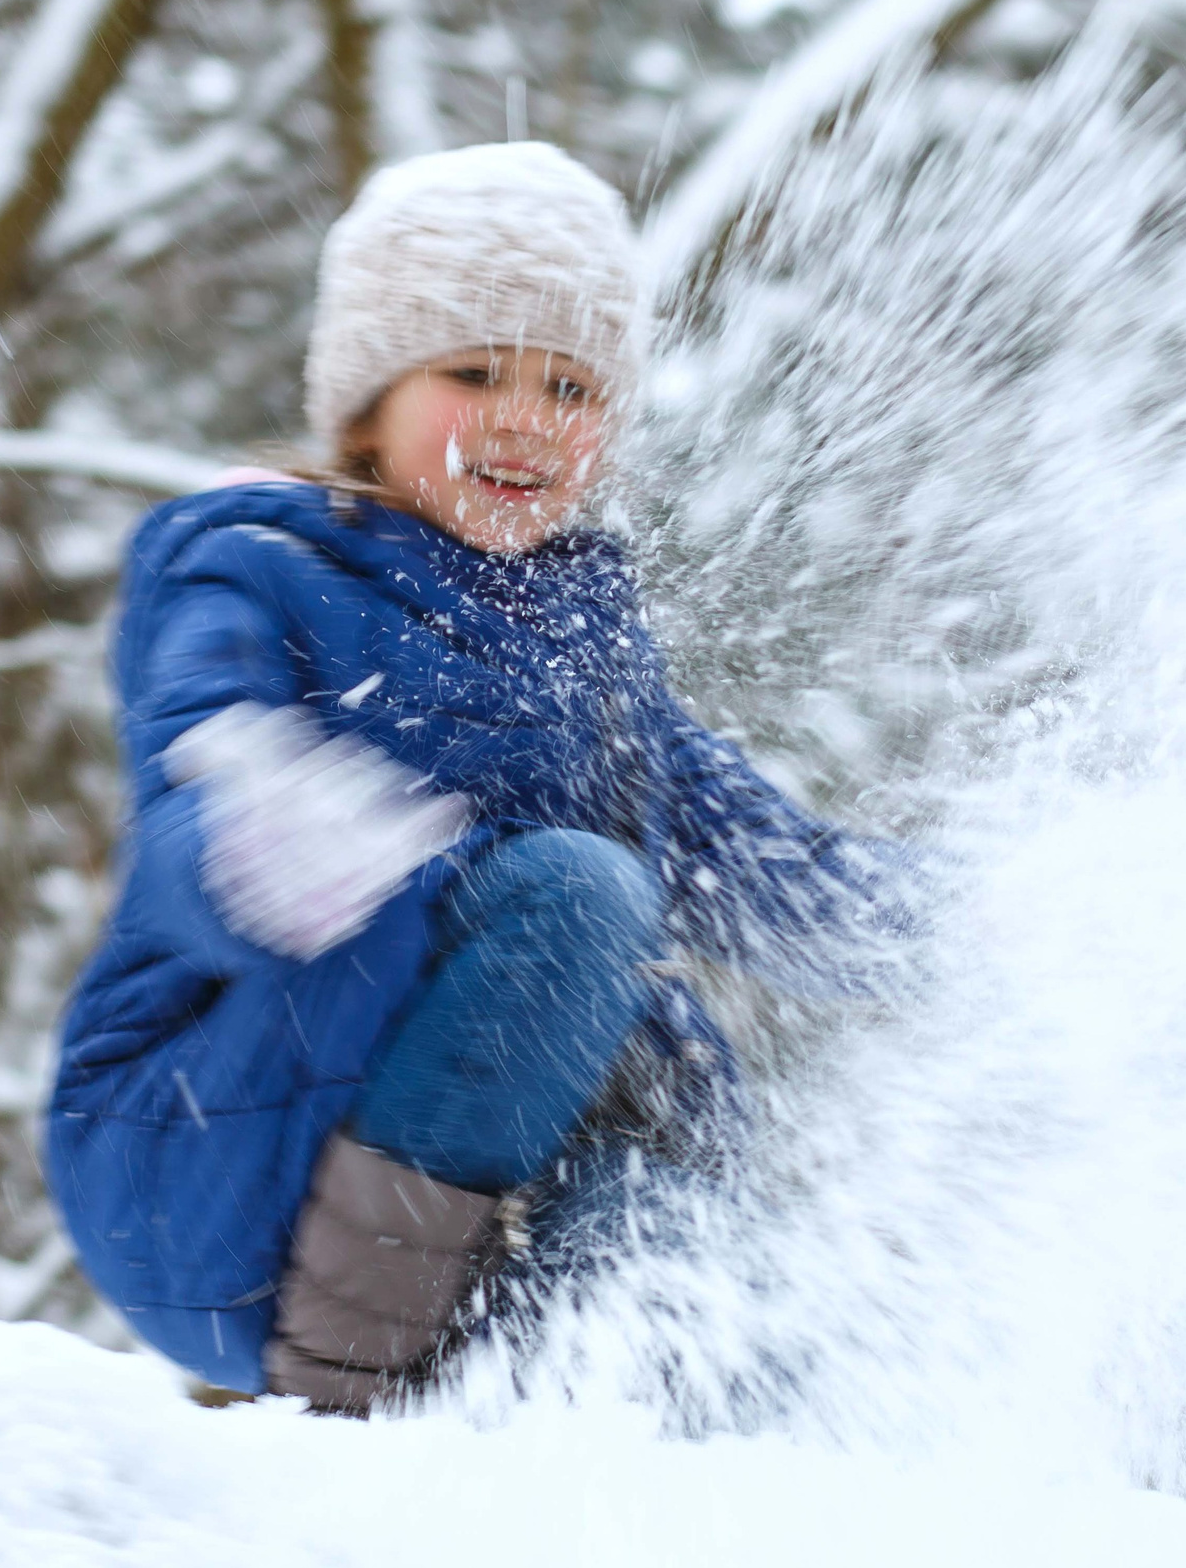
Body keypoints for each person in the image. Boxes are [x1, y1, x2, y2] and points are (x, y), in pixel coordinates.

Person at [47, 142, 904, 1414]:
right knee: (577, 894)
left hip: (469, 1169)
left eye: (570, 385)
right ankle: (361, 1403)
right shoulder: (251, 566)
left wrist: (1009, 933)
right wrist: (258, 833)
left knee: (688, 1237)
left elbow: (771, 867)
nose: (526, 416)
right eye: (472, 371)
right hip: (209, 1148)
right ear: (362, 404)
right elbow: (186, 785)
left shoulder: (586, 647)